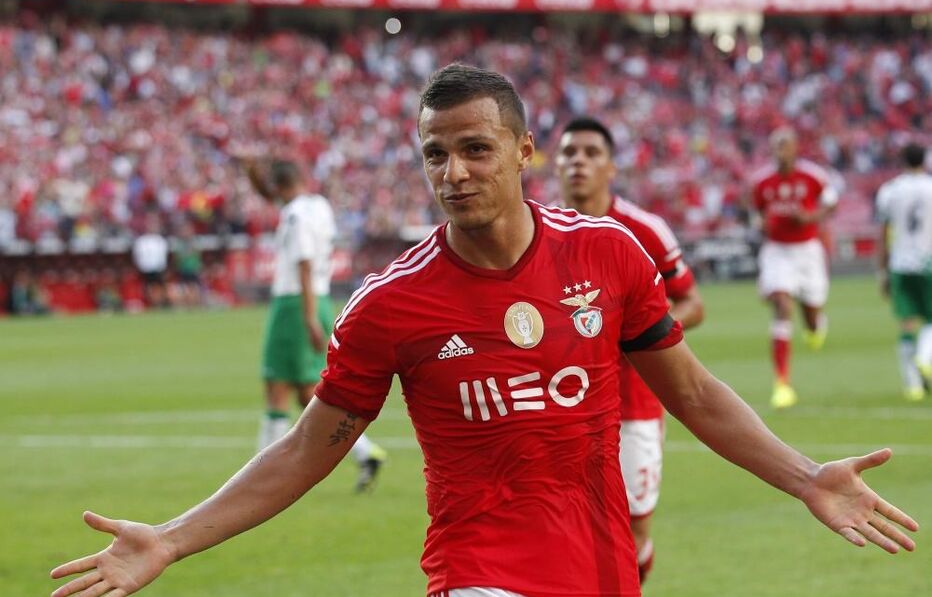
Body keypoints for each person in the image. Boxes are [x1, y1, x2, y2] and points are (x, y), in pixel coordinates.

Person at [51, 65, 917, 597]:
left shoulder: (610, 254)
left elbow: (692, 392)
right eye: (435, 153)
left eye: (474, 148)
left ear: (524, 150)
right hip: (478, 572)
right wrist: (172, 537)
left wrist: (806, 477)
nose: (453, 171)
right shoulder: (389, 304)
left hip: (602, 570)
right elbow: (308, 448)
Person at [555, 117, 704, 582]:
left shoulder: (644, 229)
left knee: (633, 533)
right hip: (558, 406)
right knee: (563, 534)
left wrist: (635, 333)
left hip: (633, 405)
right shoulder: (532, 233)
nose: (578, 162)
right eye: (569, 152)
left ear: (611, 167)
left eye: (591, 153)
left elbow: (692, 303)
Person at [246, 158, 387, 492]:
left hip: (295, 303)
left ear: (280, 188)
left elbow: (305, 264)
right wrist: (253, 172)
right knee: (308, 393)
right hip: (317, 299)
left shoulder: (295, 216)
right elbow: (275, 195)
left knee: (276, 389)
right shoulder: (318, 206)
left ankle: (258, 479)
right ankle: (366, 452)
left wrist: (308, 317)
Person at [750, 127, 838, 409]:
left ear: (795, 148)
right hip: (777, 250)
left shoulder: (813, 176)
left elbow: (831, 203)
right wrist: (759, 223)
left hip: (808, 250)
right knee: (782, 304)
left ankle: (815, 326)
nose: (782, 151)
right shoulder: (762, 182)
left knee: (811, 315)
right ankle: (782, 384)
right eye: (777, 146)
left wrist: (811, 217)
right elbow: (755, 213)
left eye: (785, 145)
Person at [876, 142, 932, 402]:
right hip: (928, 261)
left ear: (902, 160)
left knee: (906, 322)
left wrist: (882, 271)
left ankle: (913, 385)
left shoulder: (890, 190)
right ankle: (924, 357)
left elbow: (883, 234)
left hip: (900, 263)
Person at [131, 214, 170, 309]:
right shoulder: (141, 240)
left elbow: (163, 255)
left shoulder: (160, 240)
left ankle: (159, 303)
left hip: (158, 268)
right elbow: (138, 255)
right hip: (146, 268)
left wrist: (162, 267)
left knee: (159, 286)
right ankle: (150, 303)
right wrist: (141, 266)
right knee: (148, 287)